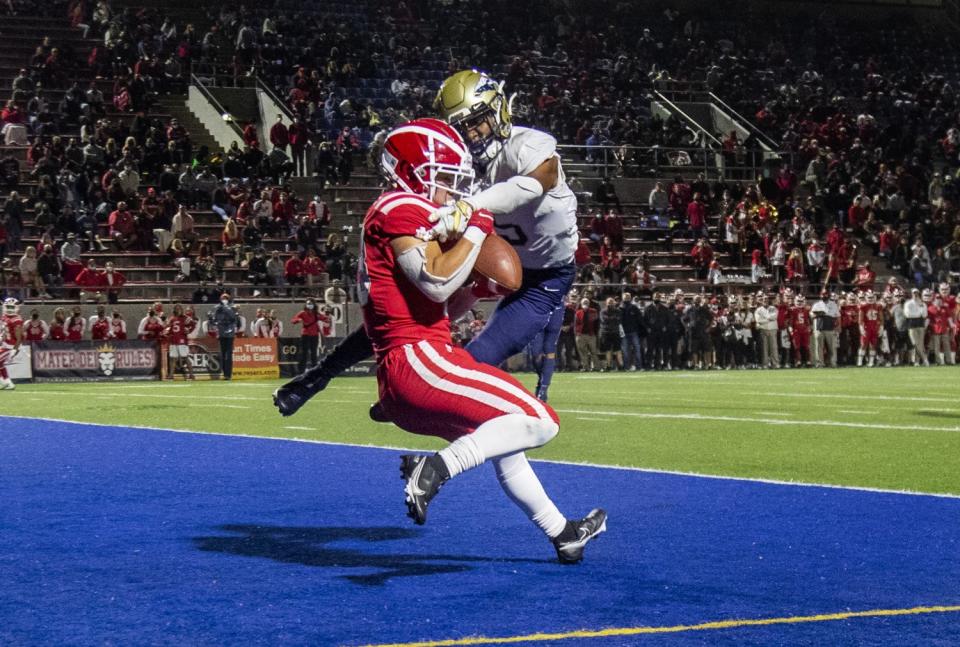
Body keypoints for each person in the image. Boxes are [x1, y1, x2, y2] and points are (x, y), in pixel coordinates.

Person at [289, 119, 604, 561]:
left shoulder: (408, 218)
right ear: (416, 172)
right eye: (445, 177)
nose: (453, 189)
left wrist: (475, 288)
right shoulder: (399, 206)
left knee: (504, 439)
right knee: (540, 421)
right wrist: (475, 229)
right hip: (421, 362)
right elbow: (436, 283)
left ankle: (563, 533)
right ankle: (434, 467)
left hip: (409, 371)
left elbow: (436, 304)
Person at [275, 69, 582, 407]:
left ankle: (419, 410)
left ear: (498, 110)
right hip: (481, 258)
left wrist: (470, 206)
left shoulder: (528, 145)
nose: (473, 133)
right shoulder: (461, 167)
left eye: (477, 121)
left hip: (543, 277)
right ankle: (320, 375)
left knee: (475, 363)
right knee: (405, 314)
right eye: (462, 126)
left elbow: (535, 184)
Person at [208, 292, 241, 380]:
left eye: (226, 298)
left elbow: (237, 321)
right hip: (221, 333)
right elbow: (213, 320)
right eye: (223, 298)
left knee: (229, 354)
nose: (224, 300)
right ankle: (224, 372)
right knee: (222, 353)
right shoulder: (217, 308)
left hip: (230, 334)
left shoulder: (233, 308)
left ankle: (228, 374)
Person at [290, 298, 324, 373]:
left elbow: (324, 318)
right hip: (305, 335)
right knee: (304, 353)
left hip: (314, 335)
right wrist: (298, 320)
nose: (309, 305)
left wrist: (326, 319)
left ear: (314, 305)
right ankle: (301, 371)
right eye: (308, 303)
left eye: (311, 303)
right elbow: (293, 320)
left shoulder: (316, 314)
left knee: (314, 353)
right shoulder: (302, 313)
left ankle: (314, 370)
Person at [164, 303, 194, 380]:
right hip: (173, 340)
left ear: (181, 309)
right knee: (173, 358)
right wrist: (167, 333)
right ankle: (171, 375)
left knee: (185, 357)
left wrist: (189, 330)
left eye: (179, 308)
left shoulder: (185, 318)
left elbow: (193, 324)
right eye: (177, 308)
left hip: (182, 340)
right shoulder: (172, 318)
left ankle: (191, 374)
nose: (178, 310)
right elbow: (169, 328)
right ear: (174, 310)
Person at [810, 291, 839, 368]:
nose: (824, 296)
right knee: (819, 347)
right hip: (819, 327)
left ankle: (833, 363)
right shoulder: (816, 305)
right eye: (822, 295)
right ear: (820, 295)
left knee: (832, 347)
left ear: (828, 295)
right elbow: (811, 315)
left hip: (830, 327)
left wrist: (838, 327)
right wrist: (818, 314)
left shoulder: (833, 304)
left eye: (825, 295)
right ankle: (820, 363)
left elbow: (837, 316)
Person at [0, 298, 24, 390]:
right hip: (5, 344)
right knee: (1, 365)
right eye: (8, 306)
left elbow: (19, 338)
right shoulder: (4, 317)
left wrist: (14, 350)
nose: (9, 309)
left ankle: (2, 383)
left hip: (10, 346)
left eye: (11, 307)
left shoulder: (16, 320)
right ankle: (9, 383)